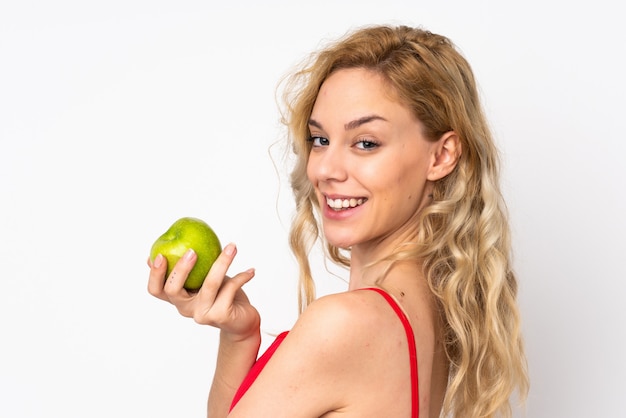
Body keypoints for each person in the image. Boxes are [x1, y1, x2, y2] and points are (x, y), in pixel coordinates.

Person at [148, 24, 529, 418]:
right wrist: (239, 335)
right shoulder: (433, 316)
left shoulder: (346, 324)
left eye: (366, 142)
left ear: (441, 156)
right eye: (320, 140)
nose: (326, 169)